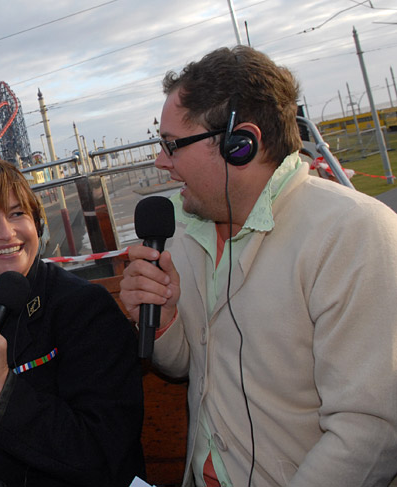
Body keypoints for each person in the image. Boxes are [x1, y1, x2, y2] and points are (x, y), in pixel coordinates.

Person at [120, 45, 397, 487]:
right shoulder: (183, 226)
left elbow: (372, 432)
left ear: (240, 145)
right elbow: (186, 368)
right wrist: (164, 320)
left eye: (171, 145)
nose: (161, 161)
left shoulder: (354, 233)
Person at [0, 158, 145, 486]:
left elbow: (102, 454)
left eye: (17, 214)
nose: (7, 233)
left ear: (37, 224)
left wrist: (3, 387)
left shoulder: (85, 308)